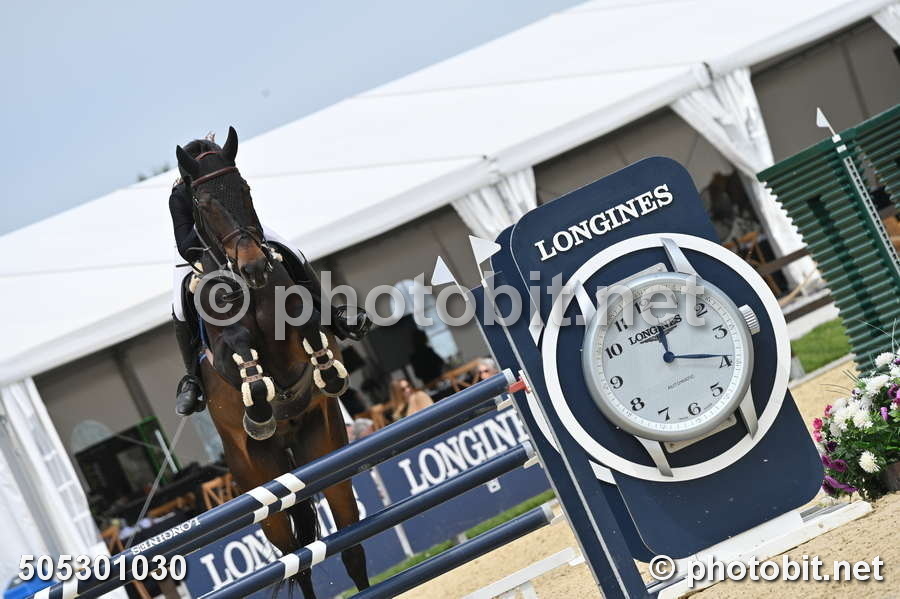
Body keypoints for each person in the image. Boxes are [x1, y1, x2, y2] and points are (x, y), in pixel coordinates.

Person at [169, 134, 370, 416]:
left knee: (292, 252)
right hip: (201, 248)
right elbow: (185, 243)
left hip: (243, 234)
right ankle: (193, 378)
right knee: (179, 305)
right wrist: (215, 230)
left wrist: (242, 232)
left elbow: (246, 209)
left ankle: (334, 316)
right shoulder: (180, 196)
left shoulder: (227, 178)